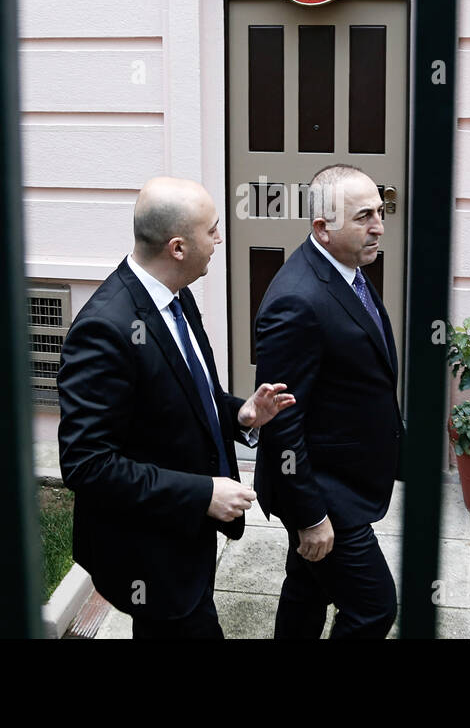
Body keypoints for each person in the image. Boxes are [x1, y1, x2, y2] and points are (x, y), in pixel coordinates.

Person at [57, 176, 294, 638]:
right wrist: (203, 494)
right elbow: (87, 465)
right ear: (179, 247)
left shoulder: (176, 295)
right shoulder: (104, 330)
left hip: (185, 539)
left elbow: (187, 398)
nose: (220, 240)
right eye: (213, 230)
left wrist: (240, 415)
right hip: (148, 551)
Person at [253, 164, 404, 639]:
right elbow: (281, 422)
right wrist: (312, 516)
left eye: (380, 212)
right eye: (364, 217)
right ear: (323, 227)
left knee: (307, 589)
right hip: (326, 494)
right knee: (373, 608)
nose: (379, 226)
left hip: (345, 480)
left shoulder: (346, 270)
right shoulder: (297, 300)